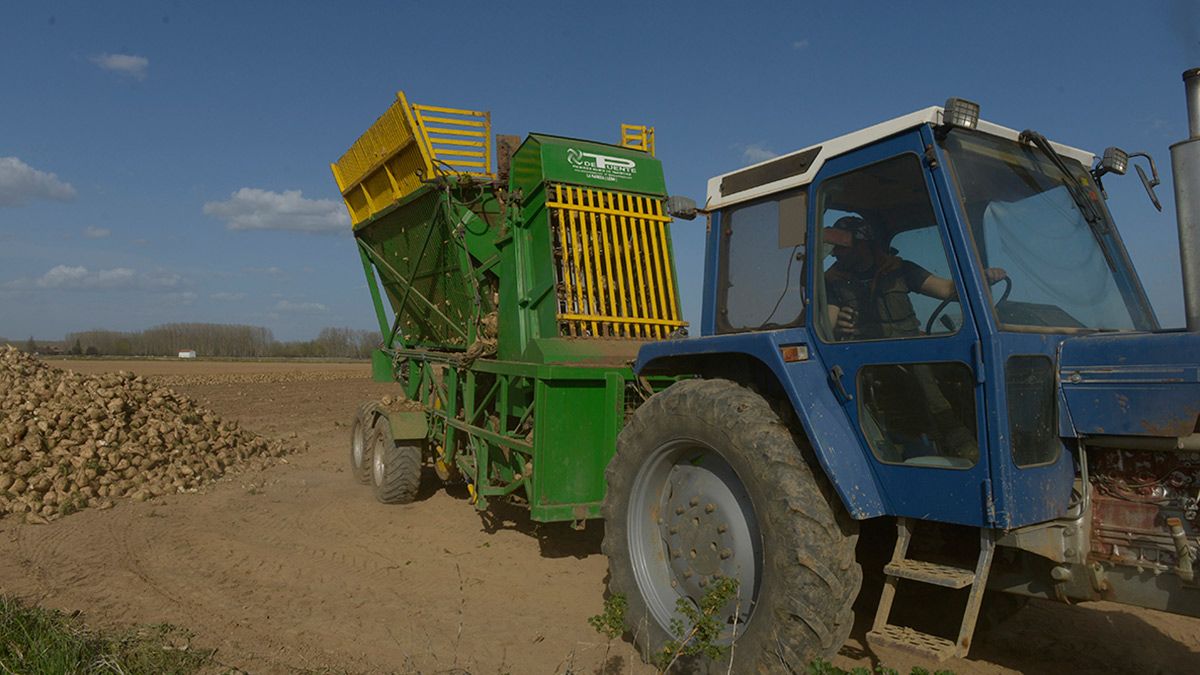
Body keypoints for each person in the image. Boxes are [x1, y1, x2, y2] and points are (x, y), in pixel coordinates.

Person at [822, 216, 1005, 340]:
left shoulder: (899, 270)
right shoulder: (832, 281)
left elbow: (948, 290)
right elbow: (827, 326)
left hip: (911, 352)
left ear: (862, 244)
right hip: (866, 361)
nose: (834, 253)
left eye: (841, 246)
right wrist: (838, 329)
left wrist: (981, 279)